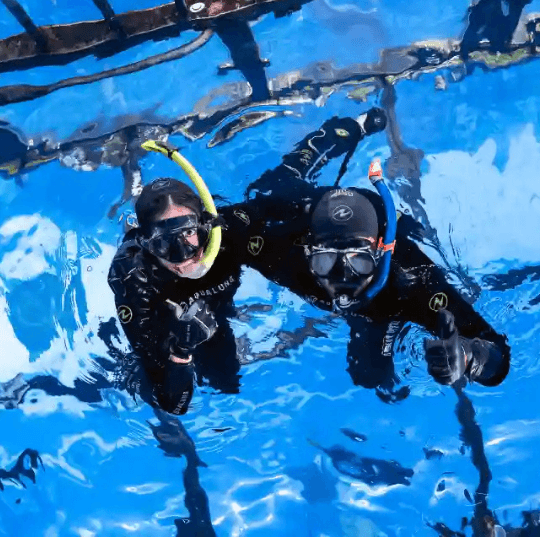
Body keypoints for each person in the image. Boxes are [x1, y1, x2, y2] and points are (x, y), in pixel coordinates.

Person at [107, 116, 386, 415]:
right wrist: (178, 351)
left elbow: (290, 222)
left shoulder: (231, 231)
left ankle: (347, 127)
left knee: (227, 380)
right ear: (147, 246)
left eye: (190, 235)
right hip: (172, 327)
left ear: (206, 225)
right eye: (166, 245)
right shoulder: (135, 277)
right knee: (196, 384)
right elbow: (173, 404)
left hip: (218, 308)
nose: (187, 256)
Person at [239, 109, 511, 401]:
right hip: (306, 209)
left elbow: (495, 354)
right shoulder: (281, 243)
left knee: (370, 376)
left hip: (382, 284)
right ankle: (350, 128)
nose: (342, 278)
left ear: (380, 252)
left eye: (359, 262)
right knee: (271, 187)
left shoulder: (409, 279)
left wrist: (469, 355)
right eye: (326, 261)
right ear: (308, 247)